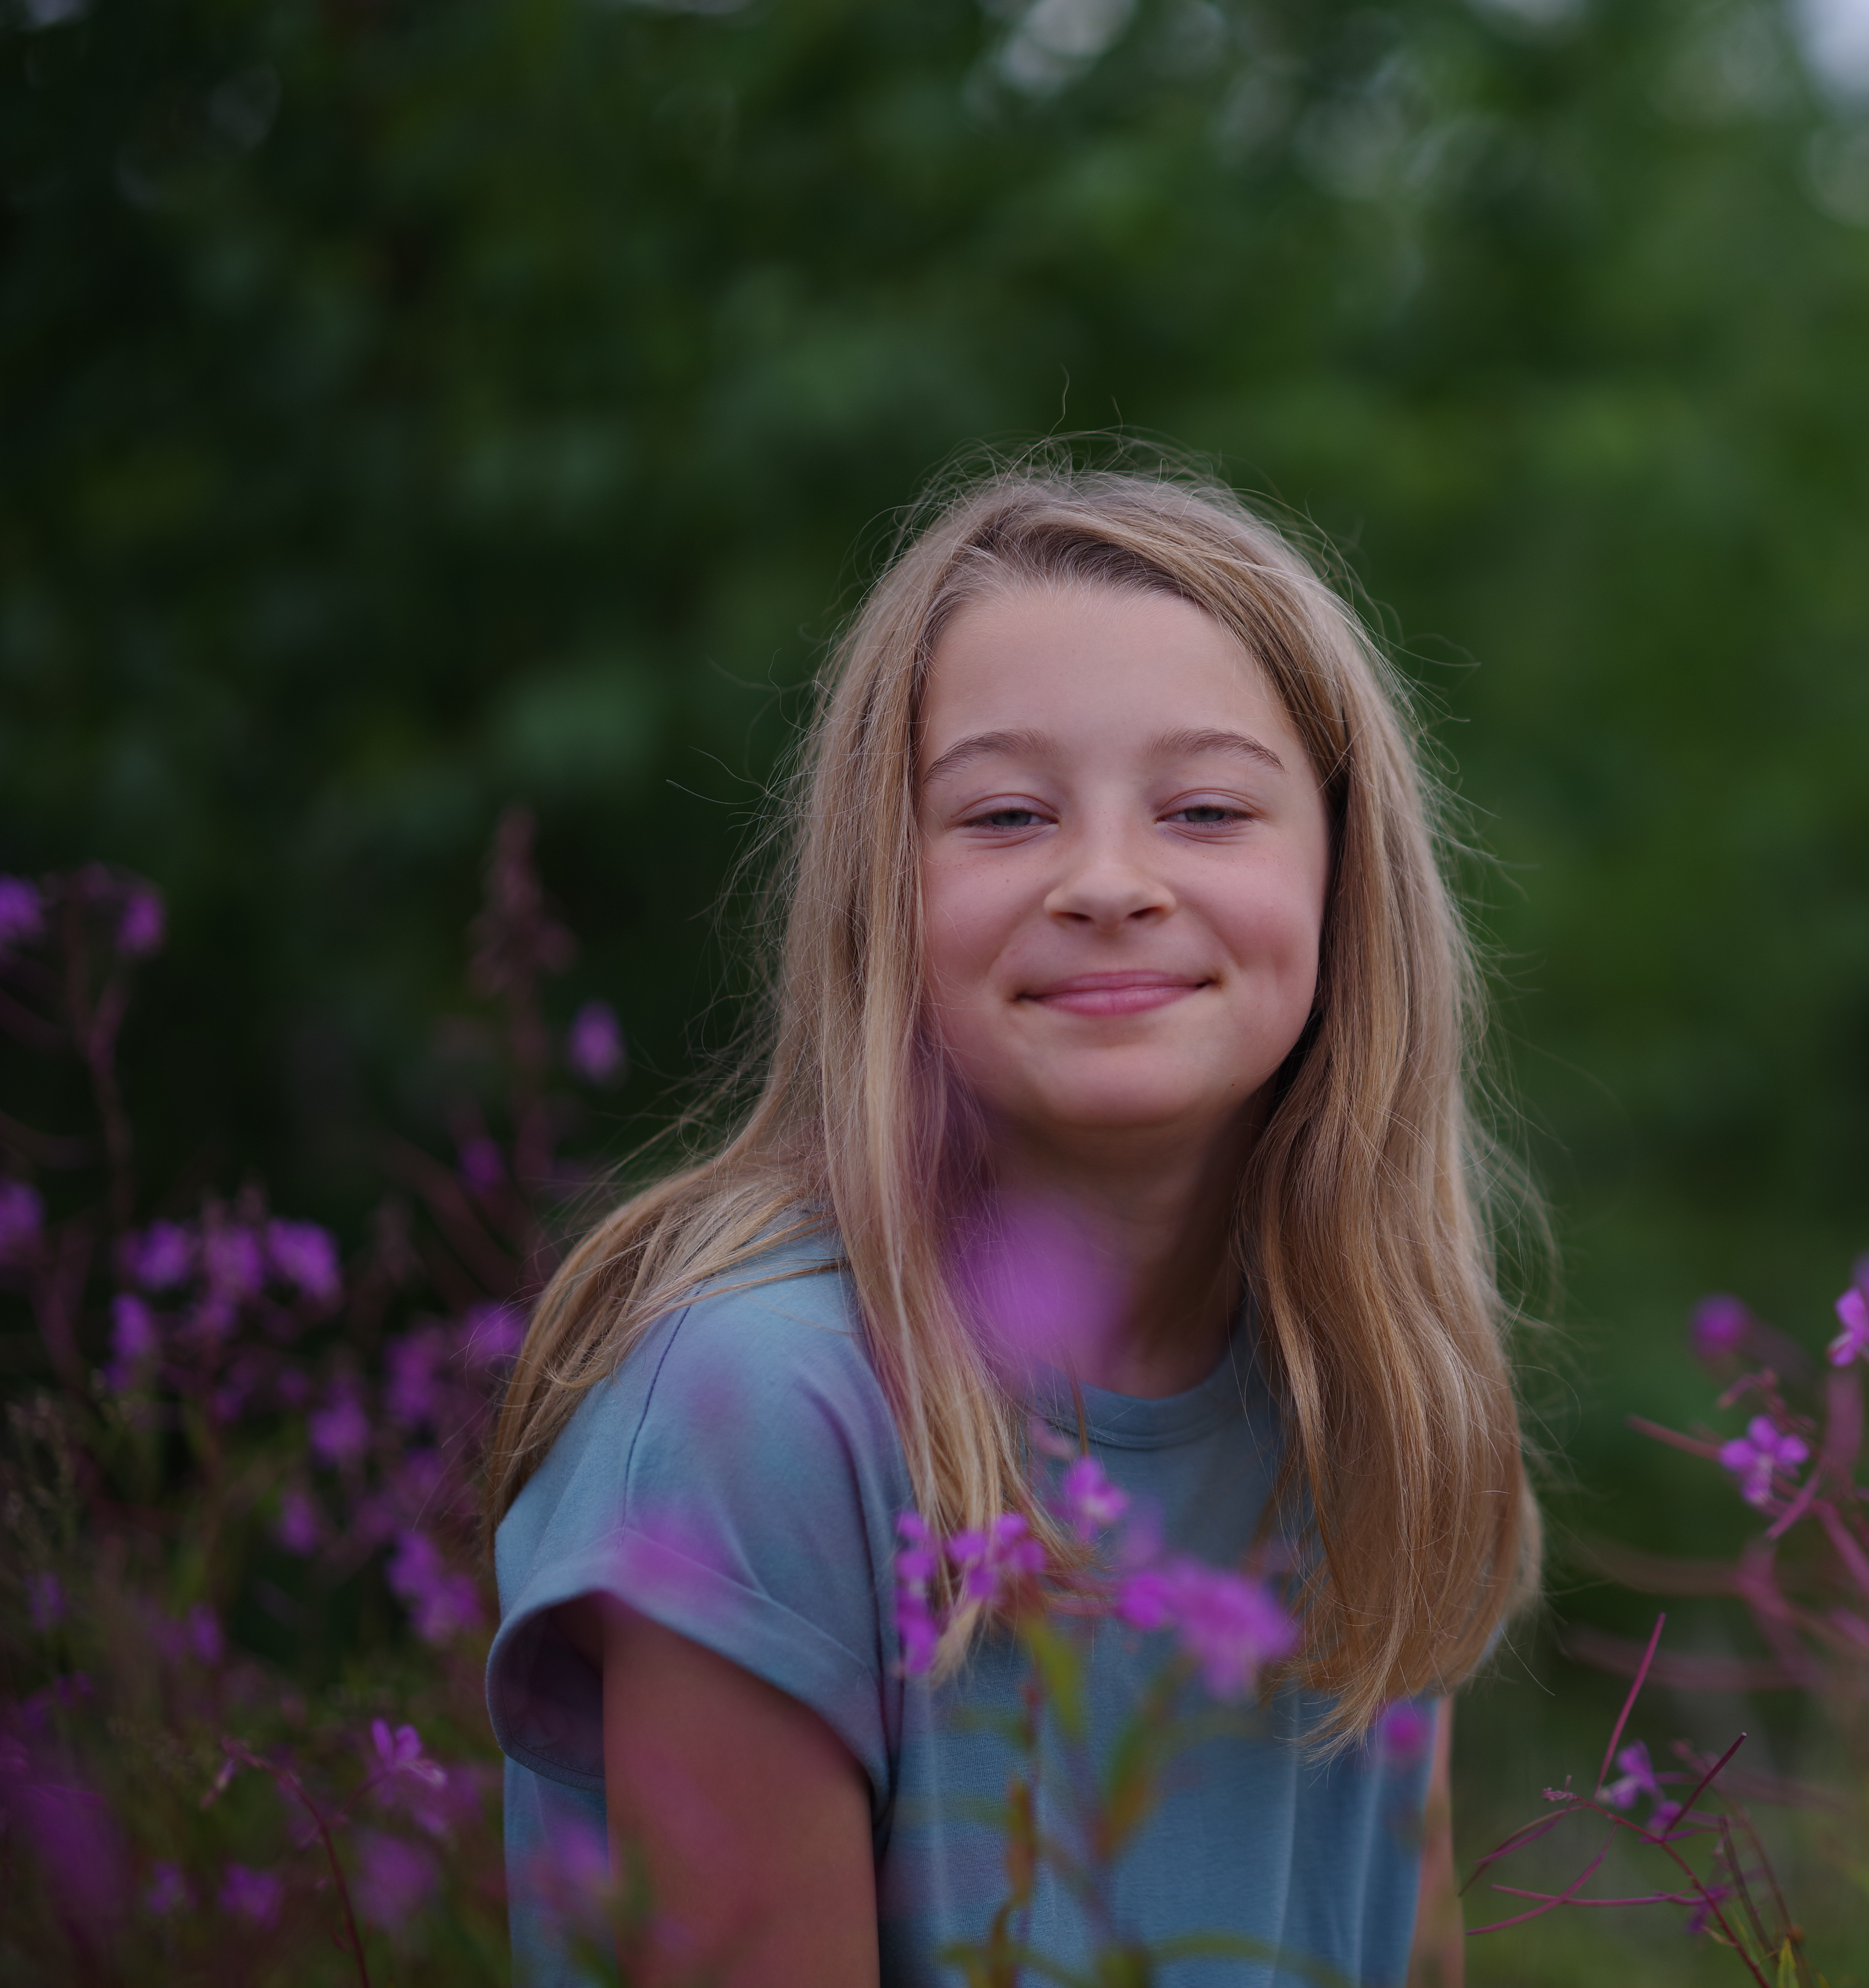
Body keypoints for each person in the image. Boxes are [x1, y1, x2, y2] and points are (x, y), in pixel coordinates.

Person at [481, 458, 1542, 1988]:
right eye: (1004, 814)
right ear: (881, 893)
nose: (1109, 882)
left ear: (1342, 872)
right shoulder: (759, 1415)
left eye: (1205, 808)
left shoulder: (1380, 1389)